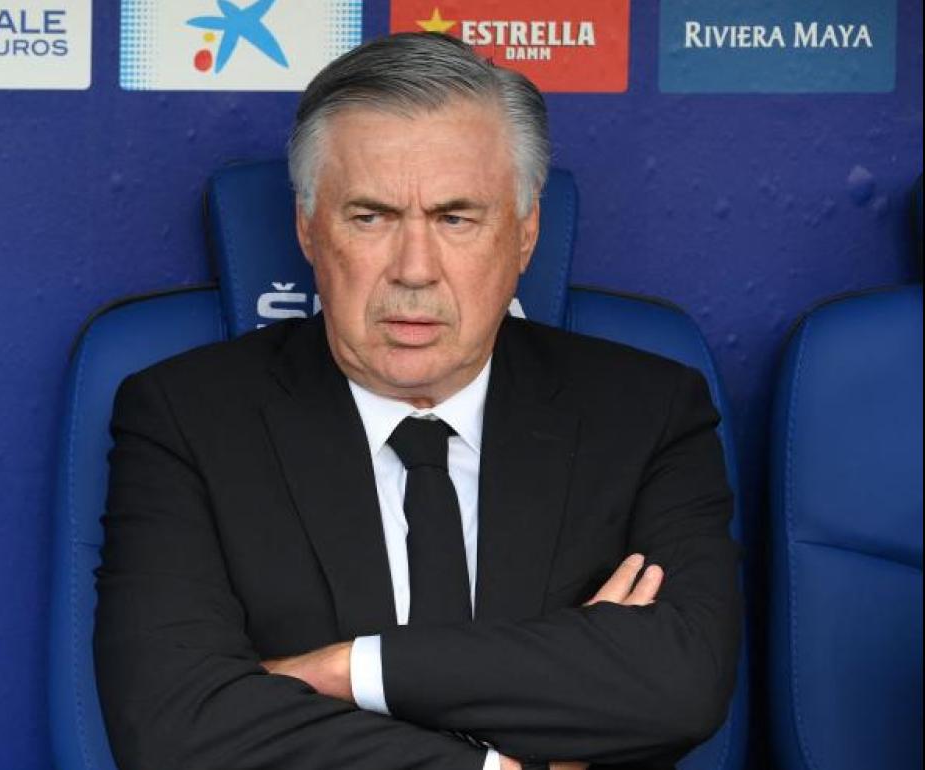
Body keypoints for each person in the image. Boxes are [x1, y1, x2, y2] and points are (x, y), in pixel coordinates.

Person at [94, 32, 740, 770]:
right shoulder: (186, 418)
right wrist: (509, 752)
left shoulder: (646, 411)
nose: (414, 270)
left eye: (455, 218)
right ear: (308, 228)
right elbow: (177, 727)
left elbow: (678, 687)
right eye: (370, 216)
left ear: (525, 234)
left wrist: (344, 671)